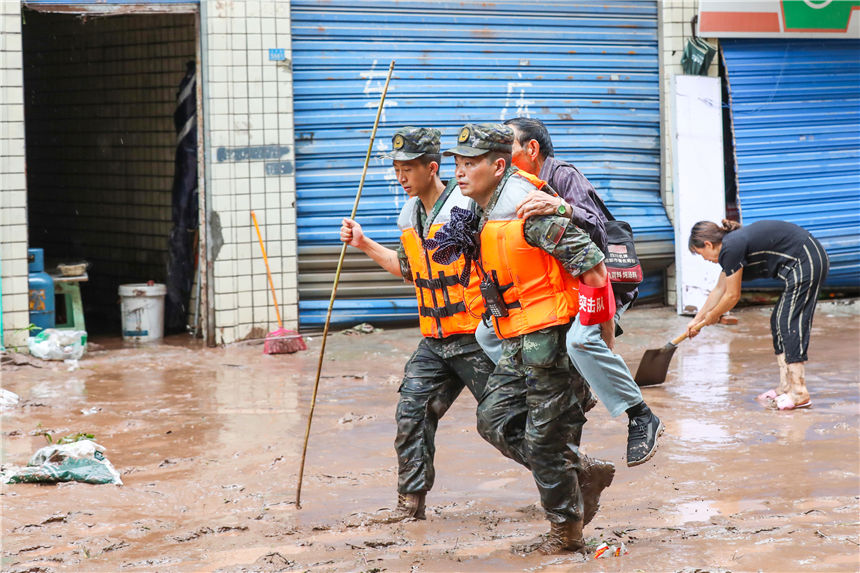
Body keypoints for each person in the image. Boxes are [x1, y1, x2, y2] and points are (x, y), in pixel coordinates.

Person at [339, 127, 613, 524]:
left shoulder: (470, 208)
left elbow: (563, 258)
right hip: (435, 338)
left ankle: (575, 475)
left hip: (476, 335)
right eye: (396, 168)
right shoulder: (410, 216)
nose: (400, 177)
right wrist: (363, 243)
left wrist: (597, 343)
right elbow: (409, 270)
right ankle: (409, 505)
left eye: (407, 168)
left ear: (431, 169)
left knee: (515, 423)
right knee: (411, 412)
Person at [441, 122, 614, 555]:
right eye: (457, 164)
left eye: (470, 164)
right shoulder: (480, 213)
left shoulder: (526, 212)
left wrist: (596, 347)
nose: (460, 173)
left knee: (545, 440)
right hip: (516, 341)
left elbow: (594, 269)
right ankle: (580, 471)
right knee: (493, 420)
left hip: (553, 342)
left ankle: (567, 534)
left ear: (499, 166)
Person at [474, 117, 663, 467]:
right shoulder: (506, 187)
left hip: (598, 280)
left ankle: (640, 415)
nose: (498, 156)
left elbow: (596, 229)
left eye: (508, 147)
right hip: (557, 288)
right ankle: (558, 388)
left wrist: (559, 206)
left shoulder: (562, 176)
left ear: (532, 149)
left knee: (581, 341)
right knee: (486, 332)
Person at [687, 219, 829, 410]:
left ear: (708, 244)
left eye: (701, 254)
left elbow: (732, 296)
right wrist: (697, 319)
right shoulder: (731, 246)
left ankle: (799, 391)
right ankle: (786, 387)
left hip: (806, 260)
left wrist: (713, 315)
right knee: (777, 321)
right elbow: (719, 289)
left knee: (789, 322)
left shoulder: (730, 247)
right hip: (802, 262)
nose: (704, 259)